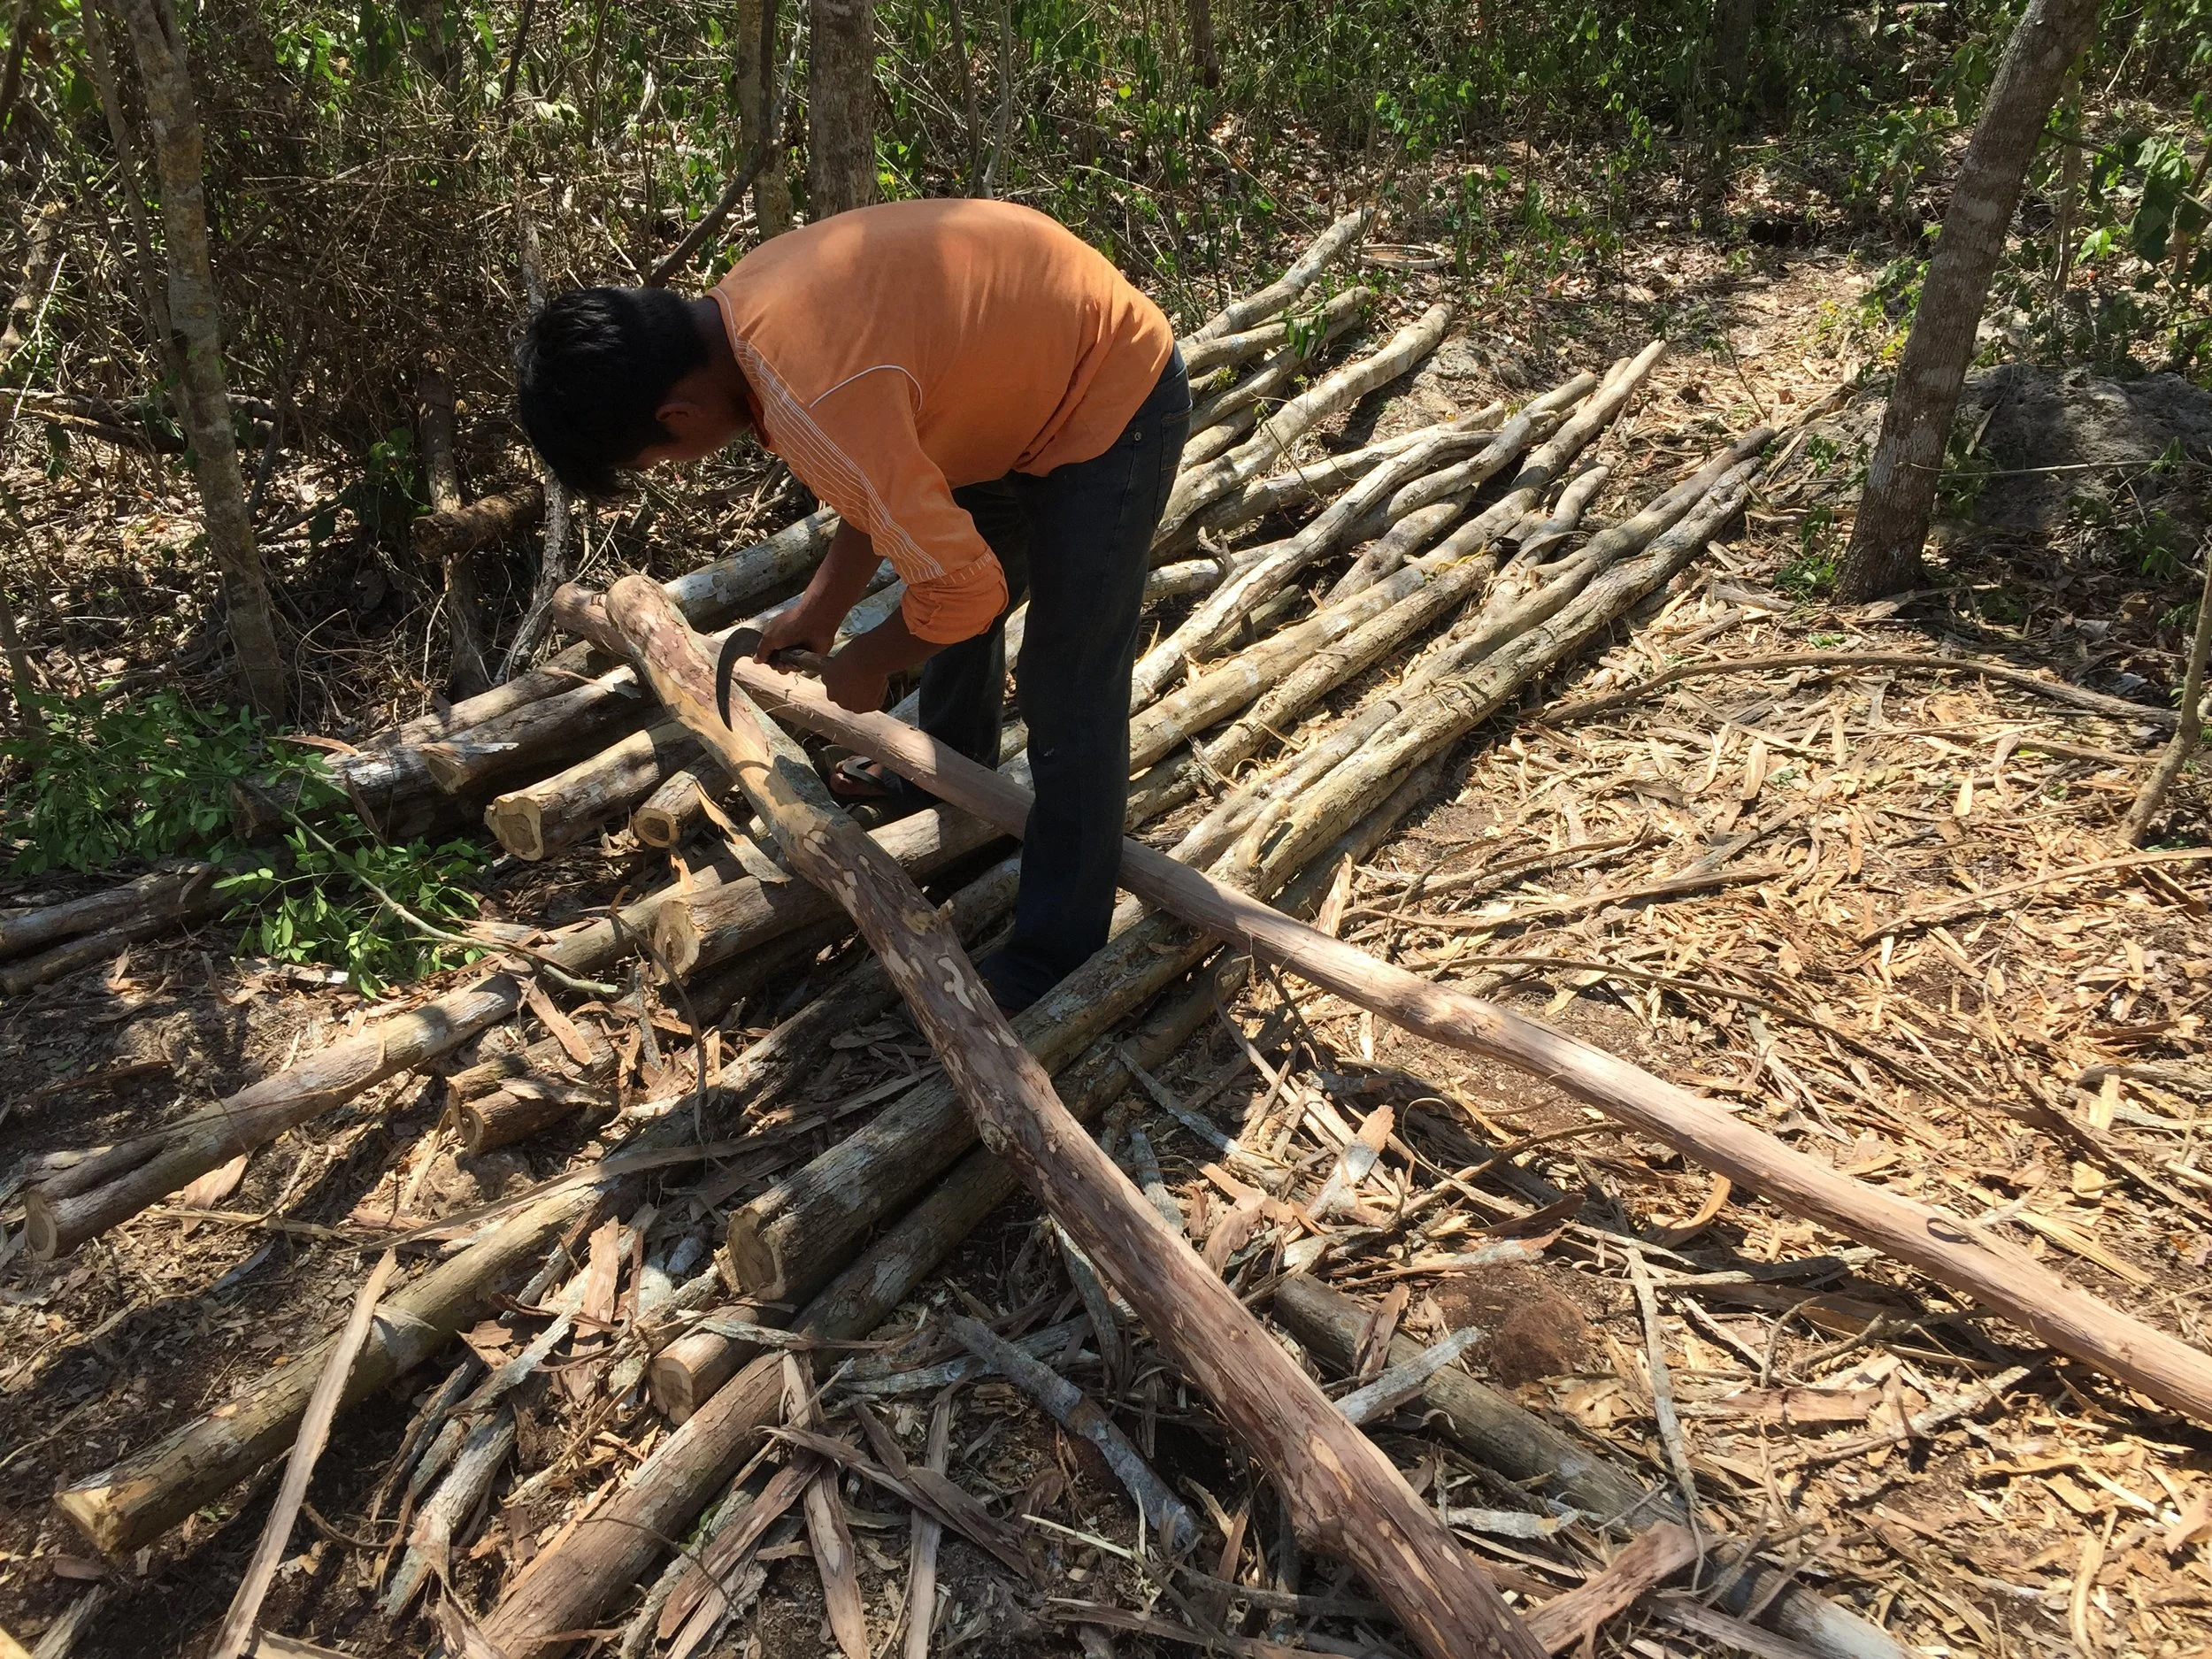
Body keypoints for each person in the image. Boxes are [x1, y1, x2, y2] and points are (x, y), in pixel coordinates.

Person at [515, 198, 1190, 1012]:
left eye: (661, 458)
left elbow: (965, 589)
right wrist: (822, 608)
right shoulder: (741, 313)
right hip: (1008, 392)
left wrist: (870, 661)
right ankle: (949, 763)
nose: (678, 466)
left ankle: (1057, 949)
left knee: (1067, 678)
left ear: (675, 414)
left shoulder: (808, 383)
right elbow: (882, 478)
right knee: (938, 557)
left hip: (1107, 396)